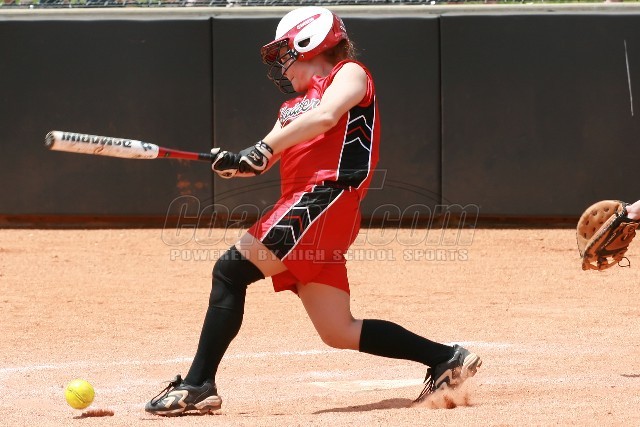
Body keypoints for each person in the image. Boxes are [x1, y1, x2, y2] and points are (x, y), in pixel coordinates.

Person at [144, 6, 481, 416]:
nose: (282, 66)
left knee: (230, 271)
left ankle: (198, 384)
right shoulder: (291, 108)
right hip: (311, 207)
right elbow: (265, 156)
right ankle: (446, 357)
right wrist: (235, 160)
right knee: (338, 330)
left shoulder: (350, 74)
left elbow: (325, 117)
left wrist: (263, 148)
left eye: (285, 53)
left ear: (310, 42)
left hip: (323, 198)